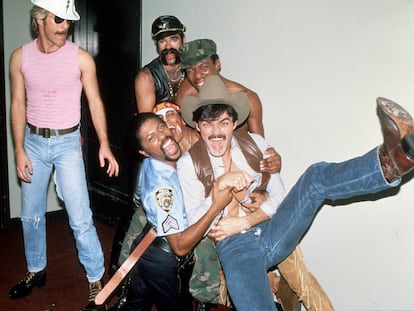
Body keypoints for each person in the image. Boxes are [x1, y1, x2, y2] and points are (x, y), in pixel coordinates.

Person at [177, 75, 414, 311]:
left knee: (315, 176)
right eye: (207, 124)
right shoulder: (189, 163)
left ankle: (391, 162)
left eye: (223, 123)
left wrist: (245, 220)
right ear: (197, 126)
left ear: (235, 122)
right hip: (234, 247)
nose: (216, 132)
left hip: (272, 229)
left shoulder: (255, 144)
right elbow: (197, 225)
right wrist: (218, 190)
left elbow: (279, 197)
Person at [178, 39, 334, 311]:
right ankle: (272, 286)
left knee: (300, 277)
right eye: (190, 69)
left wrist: (270, 170)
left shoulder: (247, 99)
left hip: (261, 215)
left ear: (218, 64)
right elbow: (189, 161)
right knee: (251, 274)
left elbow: (258, 153)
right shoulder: (185, 98)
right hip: (222, 221)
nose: (197, 75)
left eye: (204, 66)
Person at [8, 0, 119, 309]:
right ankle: (36, 270)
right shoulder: (19, 57)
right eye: (59, 19)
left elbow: (95, 103)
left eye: (68, 21)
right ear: (39, 20)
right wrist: (18, 149)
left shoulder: (81, 58)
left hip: (68, 143)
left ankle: (96, 279)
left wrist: (105, 144)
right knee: (30, 216)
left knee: (80, 217)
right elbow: (17, 104)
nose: (65, 26)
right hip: (32, 142)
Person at [124, 112, 234, 311]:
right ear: (144, 152)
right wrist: (216, 206)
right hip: (161, 258)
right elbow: (180, 247)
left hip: (146, 244)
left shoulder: (160, 160)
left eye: (160, 127)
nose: (162, 136)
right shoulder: (163, 188)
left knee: (135, 307)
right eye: (151, 138)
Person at [135, 15, 187, 112]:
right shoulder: (146, 78)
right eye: (162, 41)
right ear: (156, 45)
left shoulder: (193, 70)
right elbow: (148, 123)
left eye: (174, 39)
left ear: (183, 40)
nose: (168, 46)